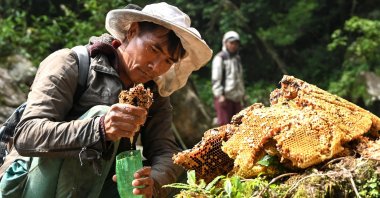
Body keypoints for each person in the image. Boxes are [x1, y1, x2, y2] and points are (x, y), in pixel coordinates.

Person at [5, 2, 212, 198]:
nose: (156, 67)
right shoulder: (72, 63)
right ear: (132, 32)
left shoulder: (153, 95)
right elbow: (27, 134)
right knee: (102, 113)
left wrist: (154, 181)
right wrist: (100, 129)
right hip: (33, 185)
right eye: (154, 49)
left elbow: (165, 151)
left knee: (190, 166)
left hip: (95, 187)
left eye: (168, 61)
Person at [211, 31, 246, 126]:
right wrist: (219, 95)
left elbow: (239, 79)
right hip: (225, 98)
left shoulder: (237, 59)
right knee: (225, 128)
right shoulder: (220, 58)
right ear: (225, 43)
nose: (234, 45)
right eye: (231, 43)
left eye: (236, 43)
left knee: (239, 127)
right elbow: (215, 79)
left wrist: (243, 94)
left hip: (236, 98)